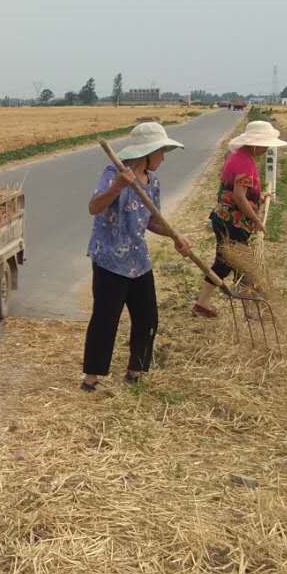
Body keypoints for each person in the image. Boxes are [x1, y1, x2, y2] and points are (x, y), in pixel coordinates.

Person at [82, 121, 191, 390]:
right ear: (147, 153)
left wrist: (176, 236)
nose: (163, 158)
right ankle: (91, 378)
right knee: (106, 319)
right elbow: (94, 207)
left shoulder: (153, 182)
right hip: (110, 260)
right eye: (161, 152)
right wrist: (117, 187)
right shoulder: (113, 173)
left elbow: (152, 221)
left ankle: (136, 371)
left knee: (147, 317)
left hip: (138, 260)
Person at [193, 119, 287, 318]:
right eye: (264, 144)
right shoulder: (245, 162)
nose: (266, 148)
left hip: (223, 218)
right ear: (254, 144)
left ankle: (202, 303)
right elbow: (238, 196)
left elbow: (237, 191)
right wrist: (256, 220)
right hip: (233, 223)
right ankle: (249, 309)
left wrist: (259, 196)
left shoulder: (239, 157)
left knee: (223, 262)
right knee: (243, 265)